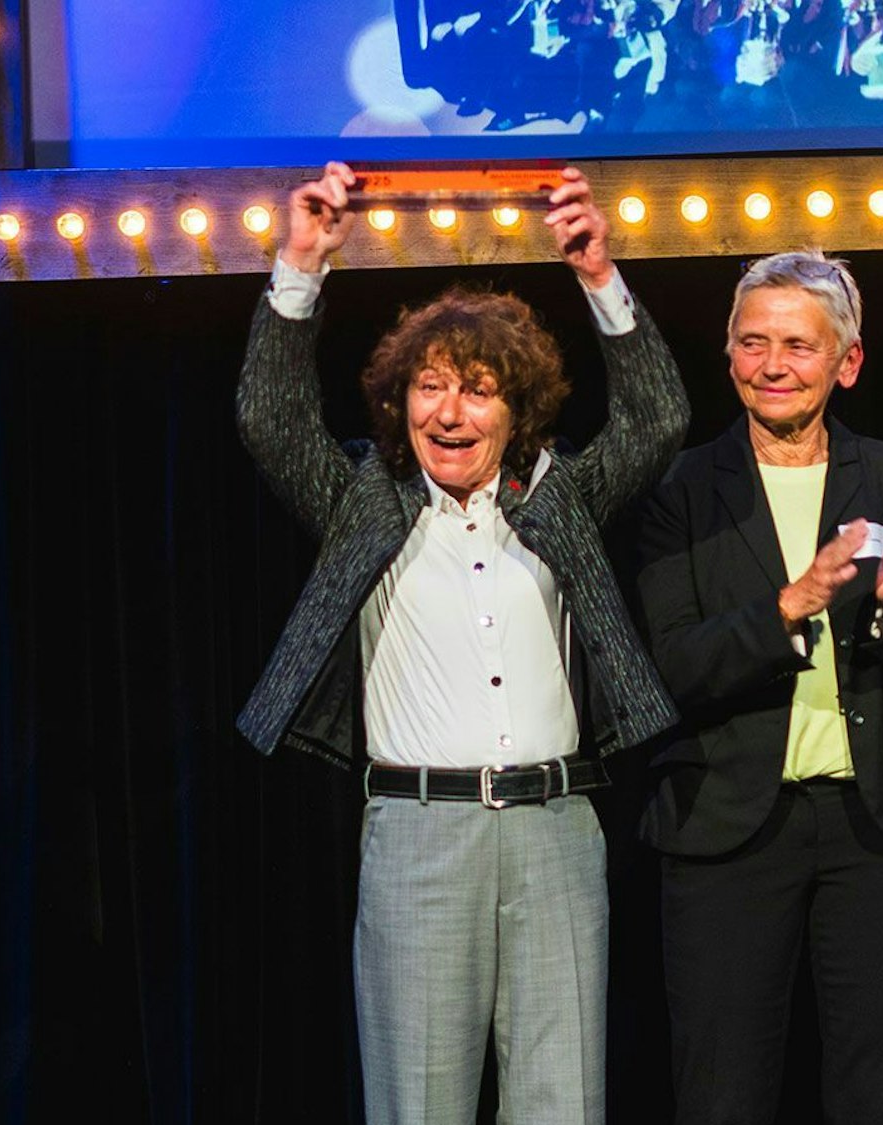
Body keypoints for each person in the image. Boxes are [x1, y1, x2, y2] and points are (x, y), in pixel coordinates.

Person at [234, 161, 688, 1124]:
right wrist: (301, 266)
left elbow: (659, 420)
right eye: (428, 388)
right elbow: (268, 421)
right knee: (419, 1105)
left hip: (557, 832)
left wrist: (598, 274)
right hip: (417, 835)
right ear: (399, 403)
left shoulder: (556, 497)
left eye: (478, 391)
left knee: (563, 1104)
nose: (450, 412)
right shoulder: (364, 501)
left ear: (516, 410)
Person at [633, 251, 883, 1125]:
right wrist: (795, 602)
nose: (772, 364)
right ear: (728, 354)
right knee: (722, 1088)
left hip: (880, 822)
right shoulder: (680, 487)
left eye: (797, 345)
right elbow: (668, 670)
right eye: (752, 342)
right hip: (728, 824)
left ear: (847, 362)